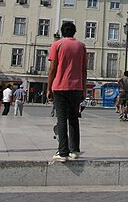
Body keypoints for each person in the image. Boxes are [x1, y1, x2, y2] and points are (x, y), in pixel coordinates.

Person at [47, 21, 87, 162]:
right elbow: (83, 69)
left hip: (60, 87)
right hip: (76, 87)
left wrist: (49, 88)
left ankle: (63, 151)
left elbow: (53, 68)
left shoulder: (57, 45)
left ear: (62, 32)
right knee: (74, 119)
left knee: (62, 119)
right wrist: (83, 88)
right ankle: (74, 150)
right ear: (74, 32)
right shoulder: (81, 46)